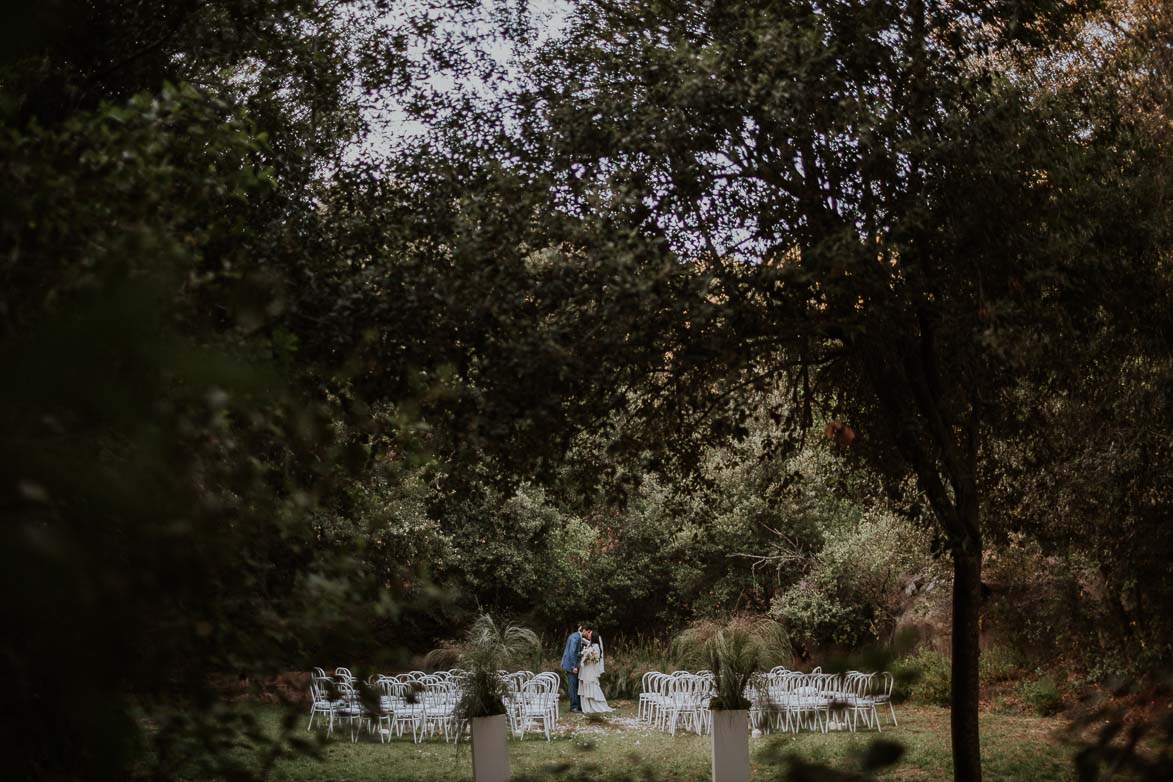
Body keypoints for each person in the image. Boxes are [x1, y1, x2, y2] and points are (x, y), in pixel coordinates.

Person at [577, 627, 613, 714]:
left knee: (591, 685)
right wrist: (579, 632)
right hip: (585, 669)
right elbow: (582, 639)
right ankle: (586, 706)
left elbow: (595, 658)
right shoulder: (590, 644)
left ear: (593, 636)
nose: (588, 634)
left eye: (590, 633)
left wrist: (588, 657)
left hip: (590, 670)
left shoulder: (596, 646)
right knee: (585, 685)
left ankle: (596, 704)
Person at [560, 623, 590, 713]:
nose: (588, 634)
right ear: (583, 630)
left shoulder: (578, 636)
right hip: (570, 665)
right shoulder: (575, 637)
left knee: (576, 685)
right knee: (572, 686)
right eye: (588, 632)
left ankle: (577, 705)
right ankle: (573, 707)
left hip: (573, 664)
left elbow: (579, 649)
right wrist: (574, 666)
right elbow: (572, 652)